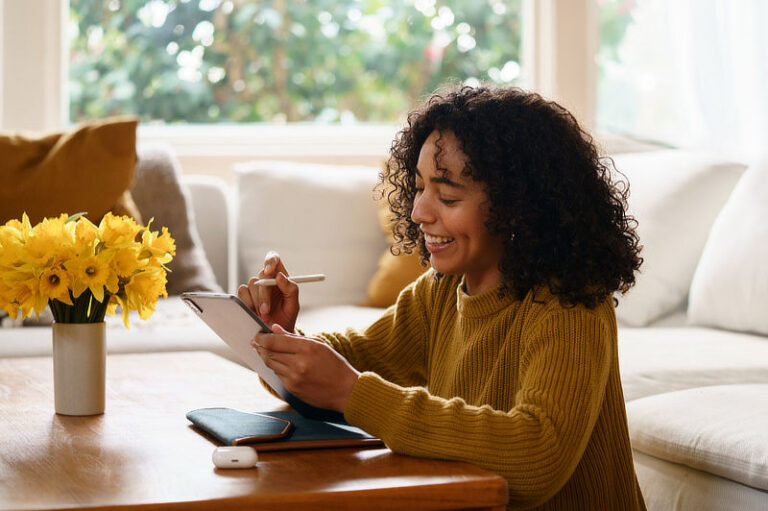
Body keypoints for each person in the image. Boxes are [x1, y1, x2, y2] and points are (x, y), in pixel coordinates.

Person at [238, 84, 646, 510]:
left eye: (447, 195)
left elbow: (536, 455)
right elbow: (355, 361)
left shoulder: (567, 301)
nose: (419, 213)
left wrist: (352, 392)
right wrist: (281, 334)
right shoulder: (441, 290)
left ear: (518, 207)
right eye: (418, 188)